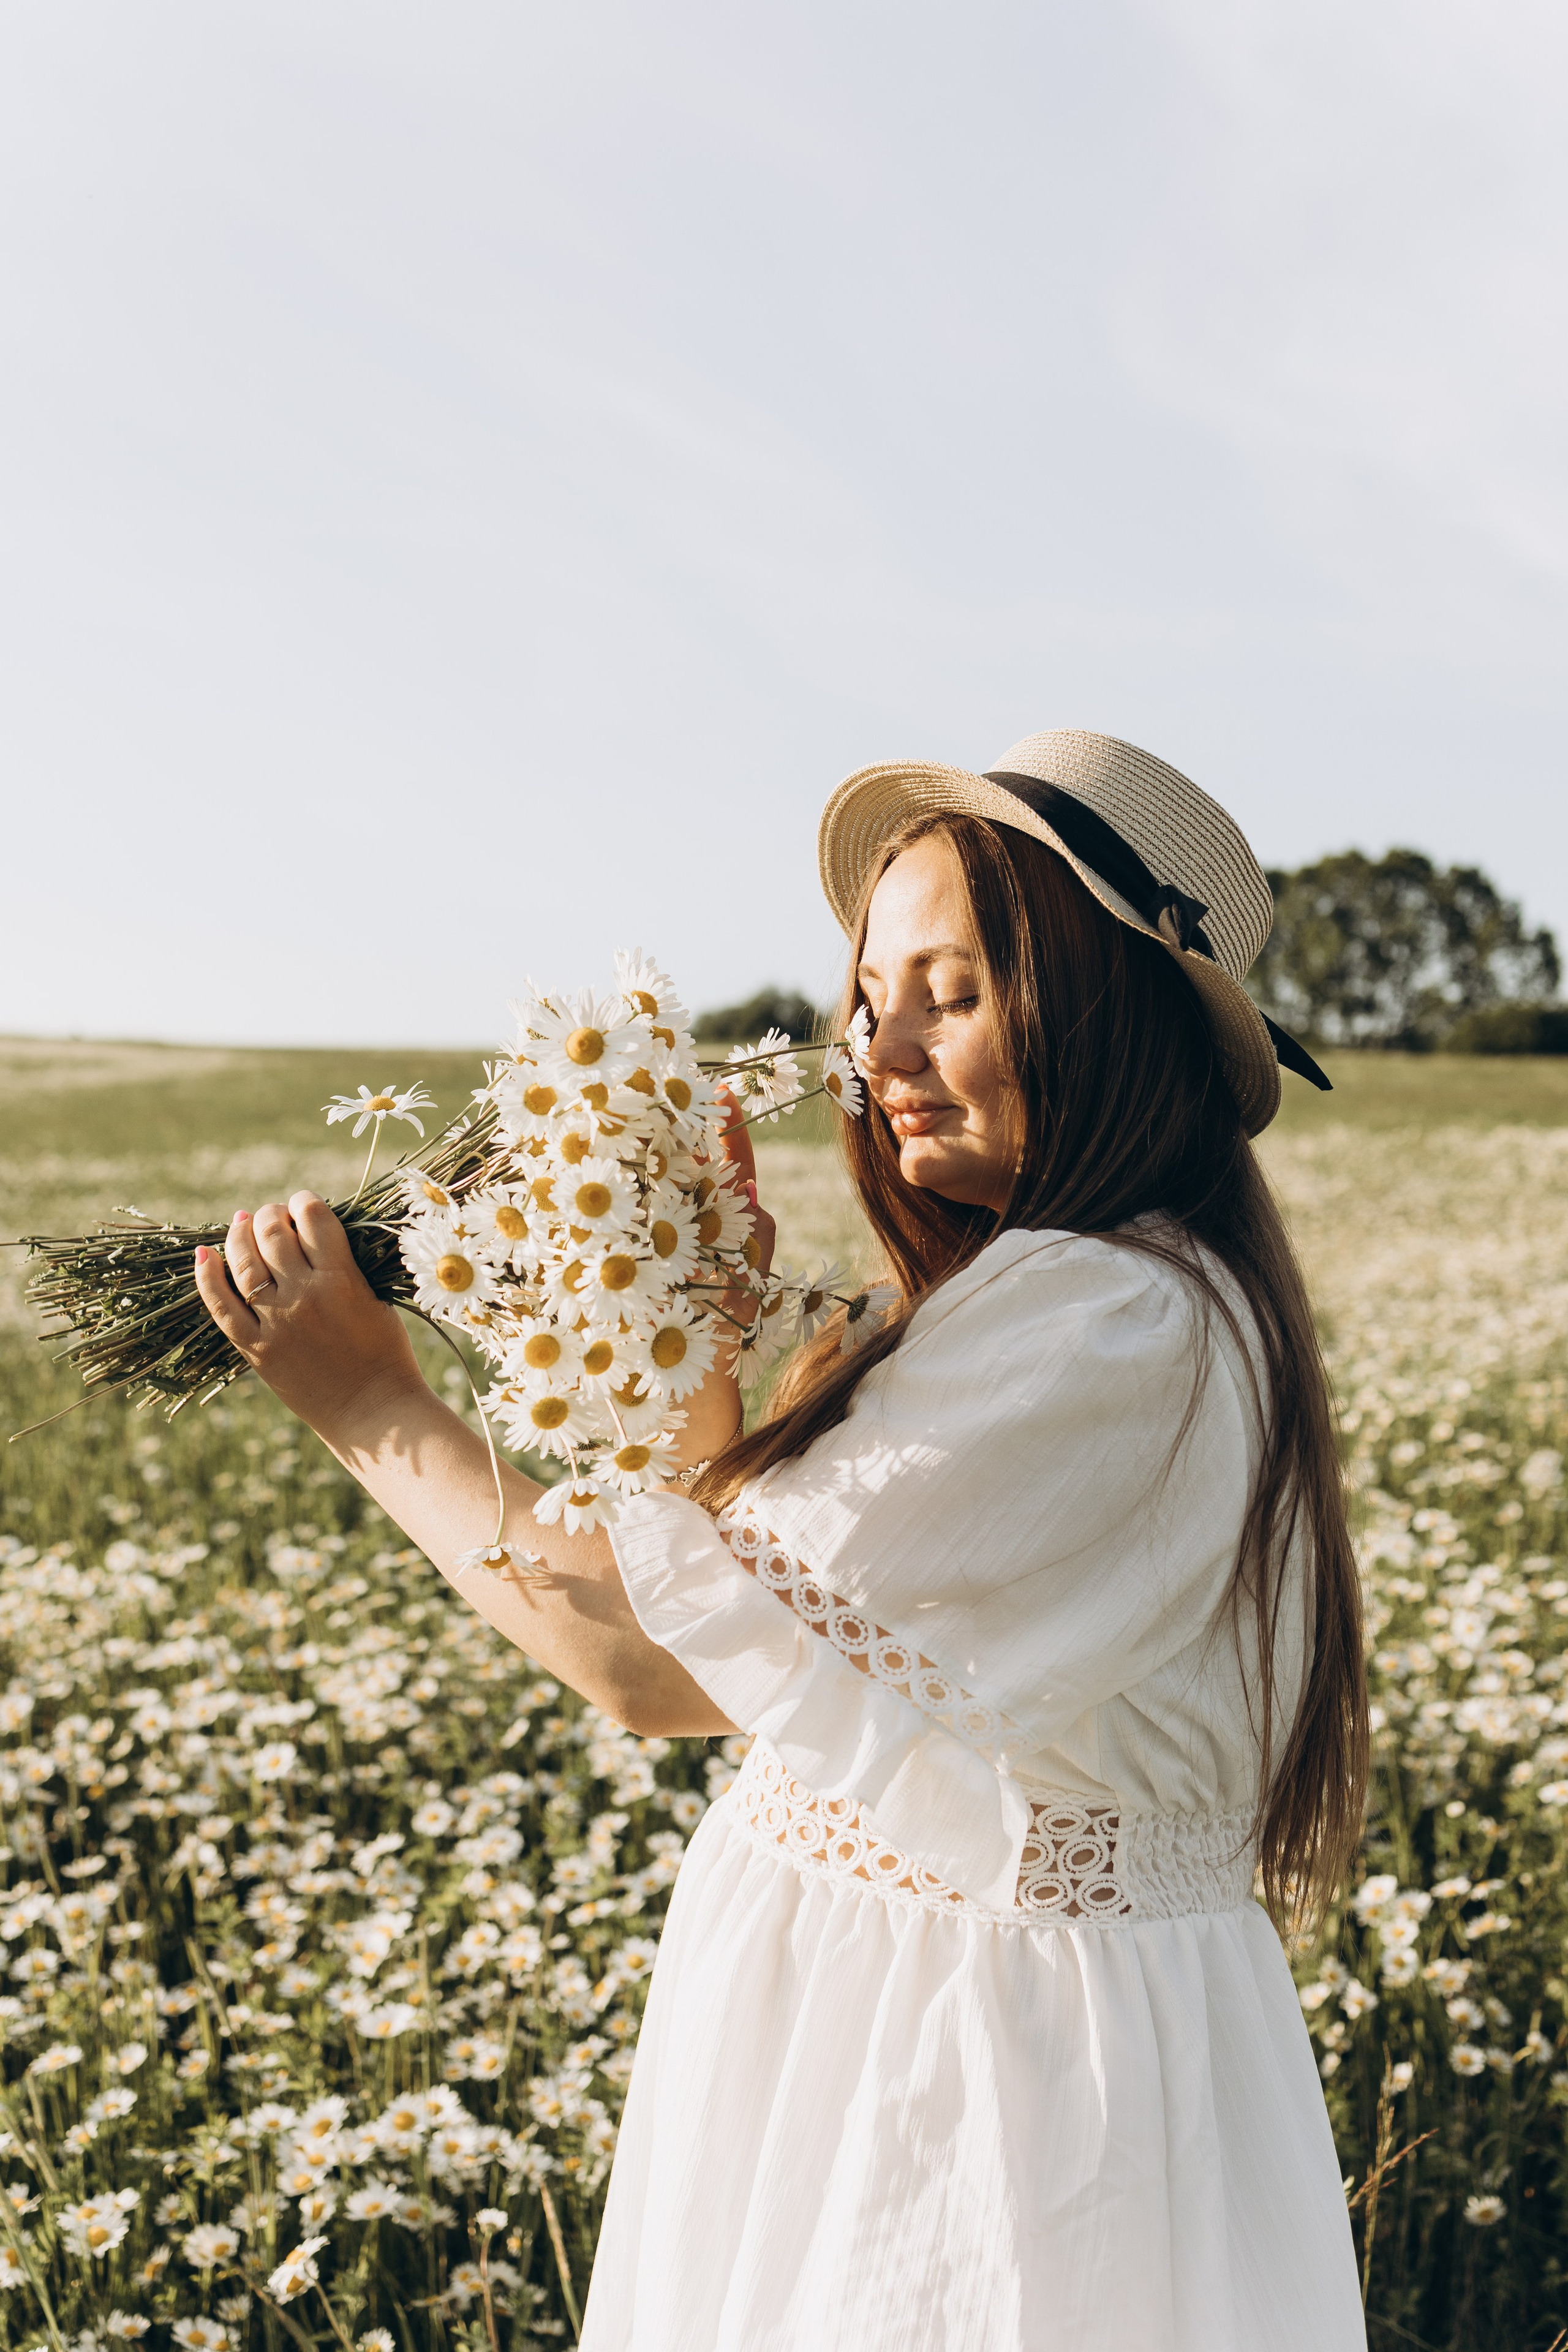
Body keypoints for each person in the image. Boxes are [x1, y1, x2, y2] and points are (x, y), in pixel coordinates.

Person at [195, 729, 1370, 2351]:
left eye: (952, 989)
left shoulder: (1106, 1322)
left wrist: (366, 1399)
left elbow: (648, 1666)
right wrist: (699, 1342)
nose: (880, 1051)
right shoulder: (1054, 1300)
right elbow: (742, 1620)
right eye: (871, 995)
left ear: (1107, 1006)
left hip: (972, 2103)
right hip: (904, 2040)